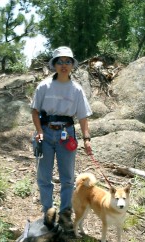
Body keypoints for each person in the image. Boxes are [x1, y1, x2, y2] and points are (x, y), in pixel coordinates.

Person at [30, 46, 93, 222]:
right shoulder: (44, 86)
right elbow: (35, 111)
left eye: (67, 61)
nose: (63, 65)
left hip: (67, 133)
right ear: (54, 64)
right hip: (46, 134)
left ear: (72, 65)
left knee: (67, 177)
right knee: (44, 176)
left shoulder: (77, 89)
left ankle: (65, 213)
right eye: (60, 61)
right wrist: (40, 132)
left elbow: (82, 117)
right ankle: (48, 213)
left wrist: (87, 139)